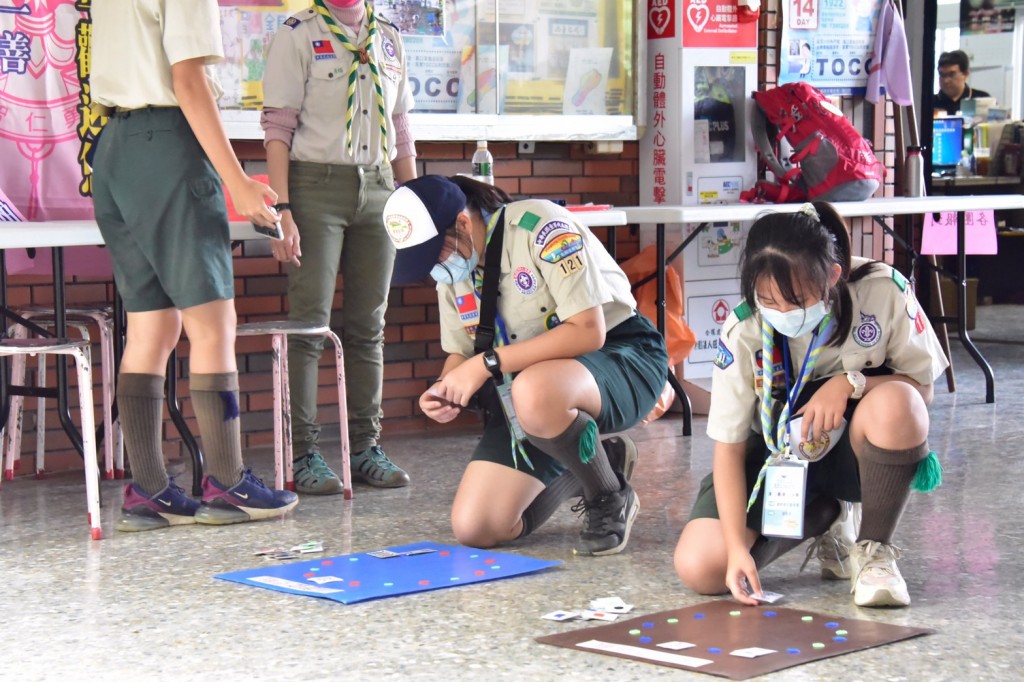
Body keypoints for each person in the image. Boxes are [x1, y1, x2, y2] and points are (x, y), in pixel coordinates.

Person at [673, 202, 948, 607]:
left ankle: (874, 552)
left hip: (856, 447)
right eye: (768, 300)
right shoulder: (744, 326)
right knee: (701, 568)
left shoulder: (882, 289)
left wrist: (850, 382)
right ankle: (827, 514)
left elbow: (921, 391)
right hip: (773, 453)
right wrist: (736, 550)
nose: (782, 312)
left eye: (796, 300)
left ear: (833, 275)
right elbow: (729, 449)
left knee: (899, 404)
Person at [90, 0, 298, 531]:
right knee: (212, 323)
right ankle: (228, 483)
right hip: (166, 147)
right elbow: (187, 81)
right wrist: (239, 182)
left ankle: (149, 490)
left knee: (152, 325)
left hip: (114, 148)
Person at [382, 175, 668, 555]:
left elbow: (588, 331)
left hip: (621, 357)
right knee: (477, 528)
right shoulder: (456, 272)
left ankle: (609, 495)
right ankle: (594, 460)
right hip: (532, 395)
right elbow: (461, 353)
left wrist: (487, 363)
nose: (434, 269)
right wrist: (443, 389)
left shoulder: (539, 227)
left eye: (435, 254)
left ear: (464, 224)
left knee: (533, 390)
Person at [262, 0, 418, 494]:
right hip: (314, 188)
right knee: (310, 324)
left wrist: (414, 204)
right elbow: (277, 129)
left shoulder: (388, 36)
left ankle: (365, 447)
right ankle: (304, 452)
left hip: (380, 188)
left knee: (369, 325)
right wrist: (282, 209)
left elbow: (402, 129)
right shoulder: (297, 33)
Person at [933, 50, 990, 117]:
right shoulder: (930, 102)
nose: (946, 81)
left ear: (966, 74)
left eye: (951, 74)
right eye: (942, 75)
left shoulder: (982, 99)